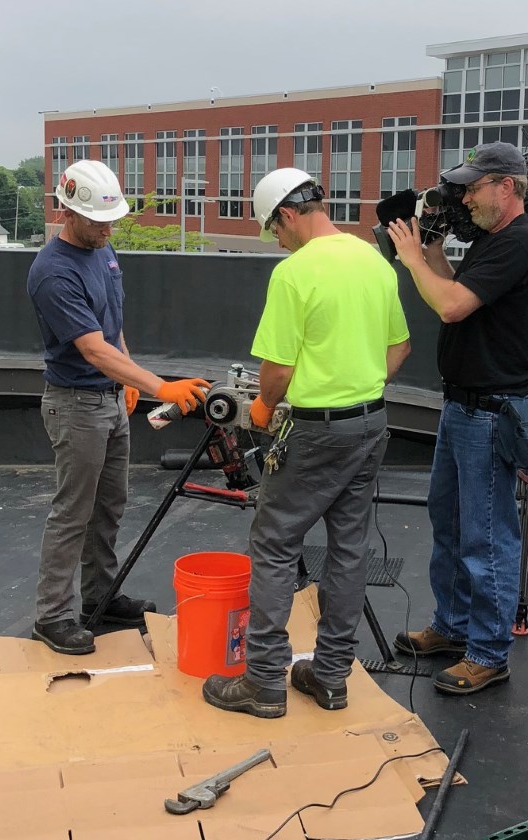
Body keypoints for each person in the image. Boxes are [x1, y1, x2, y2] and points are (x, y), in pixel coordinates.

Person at [201, 167, 411, 718]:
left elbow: (276, 370)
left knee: (274, 545)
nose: (277, 240)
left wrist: (265, 411)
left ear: (288, 215)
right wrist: (358, 386)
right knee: (348, 549)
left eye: (275, 229)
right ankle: (332, 677)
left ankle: (264, 682)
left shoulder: (295, 273)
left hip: (314, 431)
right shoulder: (373, 259)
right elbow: (400, 348)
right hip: (369, 423)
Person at [384, 142, 528, 696]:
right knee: (450, 522)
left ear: (507, 187)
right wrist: (429, 249)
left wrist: (410, 259)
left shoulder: (522, 242)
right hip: (462, 406)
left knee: (484, 534)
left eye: (474, 187)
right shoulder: (492, 240)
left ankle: (487, 652)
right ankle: (453, 627)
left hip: (489, 411)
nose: (466, 197)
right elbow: (457, 284)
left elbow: (452, 306)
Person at [28, 159, 210, 655]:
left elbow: (112, 326)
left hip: (108, 399)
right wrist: (158, 386)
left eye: (112, 220)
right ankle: (53, 615)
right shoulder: (53, 272)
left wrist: (127, 373)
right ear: (68, 213)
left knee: (109, 507)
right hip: (76, 405)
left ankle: (99, 599)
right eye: (98, 222)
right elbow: (91, 347)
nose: (108, 229)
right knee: (73, 512)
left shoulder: (103, 252)